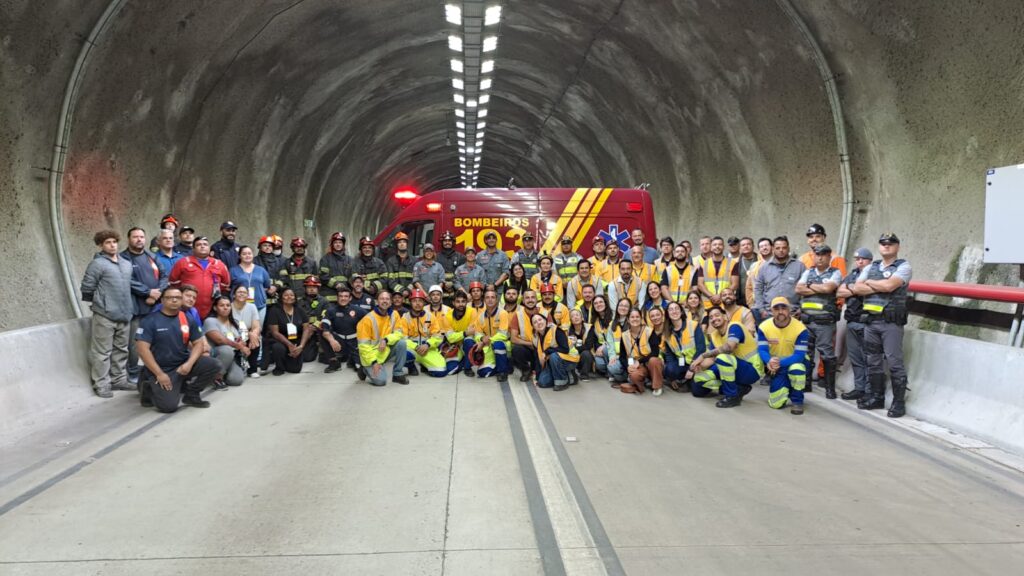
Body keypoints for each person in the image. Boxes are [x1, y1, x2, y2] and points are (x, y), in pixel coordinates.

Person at [851, 232, 912, 417]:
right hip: (871, 322)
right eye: (883, 243)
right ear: (879, 246)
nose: (886, 246)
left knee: (894, 362)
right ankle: (877, 397)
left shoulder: (903, 266)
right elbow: (856, 287)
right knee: (873, 361)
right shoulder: (873, 266)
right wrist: (878, 283)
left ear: (897, 246)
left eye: (891, 243)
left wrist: (869, 282)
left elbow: (889, 286)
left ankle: (898, 402)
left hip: (890, 323)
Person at [135, 287, 218, 411]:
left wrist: (189, 364)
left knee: (214, 365)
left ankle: (191, 395)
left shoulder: (187, 318)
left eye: (178, 298)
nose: (174, 300)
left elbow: (198, 343)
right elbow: (142, 350)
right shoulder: (149, 321)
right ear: (162, 300)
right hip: (162, 368)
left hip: (182, 365)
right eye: (170, 297)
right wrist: (159, 374)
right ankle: (148, 386)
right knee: (168, 407)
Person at [80, 229, 135, 398]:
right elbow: (87, 288)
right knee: (102, 352)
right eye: (108, 242)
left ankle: (119, 380)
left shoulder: (126, 264)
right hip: (104, 315)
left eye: (114, 242)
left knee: (121, 349)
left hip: (125, 314)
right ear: (101, 245)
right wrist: (100, 303)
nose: (112, 245)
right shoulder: (97, 264)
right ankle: (102, 384)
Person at [691, 306, 765, 408]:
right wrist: (699, 366)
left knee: (722, 358)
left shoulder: (735, 326)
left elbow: (729, 347)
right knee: (698, 381)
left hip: (751, 369)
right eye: (711, 317)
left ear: (725, 316)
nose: (714, 319)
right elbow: (711, 358)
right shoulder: (714, 335)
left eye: (717, 315)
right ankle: (738, 388)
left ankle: (732, 396)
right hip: (731, 366)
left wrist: (703, 355)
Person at [796, 244, 842, 399]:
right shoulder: (808, 272)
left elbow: (828, 289)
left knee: (827, 354)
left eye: (824, 255)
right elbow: (798, 289)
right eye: (817, 255)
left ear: (829, 257)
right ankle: (806, 383)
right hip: (807, 320)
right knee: (806, 352)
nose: (820, 258)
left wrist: (809, 286)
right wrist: (818, 287)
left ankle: (830, 388)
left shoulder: (835, 272)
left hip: (824, 322)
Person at [122, 227, 167, 384]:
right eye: (135, 237)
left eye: (142, 236)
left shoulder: (152, 256)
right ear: (129, 239)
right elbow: (127, 280)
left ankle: (155, 369)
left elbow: (164, 276)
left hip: (154, 306)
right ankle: (133, 372)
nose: (139, 239)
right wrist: (147, 292)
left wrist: (157, 294)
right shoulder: (123, 258)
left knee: (157, 339)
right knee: (135, 342)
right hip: (136, 308)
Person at [757, 297, 810, 414]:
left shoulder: (800, 329)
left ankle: (797, 401)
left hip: (794, 362)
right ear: (771, 311)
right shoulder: (764, 327)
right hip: (776, 366)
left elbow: (799, 355)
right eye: (776, 309)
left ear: (789, 310)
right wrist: (769, 361)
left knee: (797, 369)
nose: (780, 311)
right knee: (776, 404)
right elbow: (762, 350)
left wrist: (778, 363)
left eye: (784, 308)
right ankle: (788, 387)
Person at [837, 247, 874, 401]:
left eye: (863, 259)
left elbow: (871, 290)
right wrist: (857, 290)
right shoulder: (852, 274)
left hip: (867, 322)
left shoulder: (875, 274)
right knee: (855, 358)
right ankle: (859, 388)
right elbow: (839, 292)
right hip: (852, 321)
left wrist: (851, 289)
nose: (859, 261)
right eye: (857, 259)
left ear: (870, 261)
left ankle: (869, 390)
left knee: (869, 359)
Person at [168, 236, 231, 319]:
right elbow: (173, 283)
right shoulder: (183, 262)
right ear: (193, 249)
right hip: (187, 310)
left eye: (205, 244)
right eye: (199, 245)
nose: (202, 246)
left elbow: (225, 285)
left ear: (209, 248)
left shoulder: (219, 264)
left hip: (212, 310)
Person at [356, 290, 409, 386]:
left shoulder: (394, 314)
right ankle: (364, 369)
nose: (385, 301)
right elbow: (363, 347)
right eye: (382, 298)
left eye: (387, 299)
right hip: (370, 356)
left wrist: (386, 340)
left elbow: (399, 333)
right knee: (381, 381)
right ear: (376, 301)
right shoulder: (367, 320)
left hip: (384, 350)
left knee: (401, 343)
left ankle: (397, 373)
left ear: (391, 302)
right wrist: (374, 362)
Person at [752, 236, 805, 322]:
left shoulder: (799, 266)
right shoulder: (764, 267)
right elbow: (758, 289)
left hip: (792, 314)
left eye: (784, 247)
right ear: (773, 248)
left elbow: (805, 290)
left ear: (788, 248)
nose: (781, 250)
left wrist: (801, 308)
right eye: (778, 248)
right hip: (769, 314)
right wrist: (761, 310)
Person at [266, 287, 314, 375]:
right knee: (278, 348)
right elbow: (275, 333)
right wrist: (289, 345)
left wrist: (301, 346)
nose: (289, 297)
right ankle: (279, 367)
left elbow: (306, 329)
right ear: (281, 297)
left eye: (291, 295)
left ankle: (288, 360)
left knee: (295, 370)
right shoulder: (274, 310)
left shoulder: (300, 310)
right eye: (286, 295)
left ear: (295, 298)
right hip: (281, 341)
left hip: (297, 341)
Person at [615, 308, 664, 395]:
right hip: (638, 366)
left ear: (641, 319)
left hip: (650, 362)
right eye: (632, 317)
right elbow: (622, 356)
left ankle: (657, 386)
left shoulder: (649, 331)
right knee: (634, 376)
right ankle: (643, 383)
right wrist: (627, 366)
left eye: (637, 317)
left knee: (654, 360)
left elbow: (655, 352)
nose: (635, 319)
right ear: (628, 320)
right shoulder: (624, 335)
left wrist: (639, 361)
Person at [465, 289, 510, 381]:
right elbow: (477, 333)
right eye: (487, 297)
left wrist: (487, 340)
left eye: (493, 297)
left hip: (503, 345)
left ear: (496, 300)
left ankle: (502, 372)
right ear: (484, 300)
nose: (490, 300)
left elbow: (503, 334)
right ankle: (503, 365)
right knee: (482, 373)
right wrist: (481, 339)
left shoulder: (503, 313)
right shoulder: (481, 316)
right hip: (488, 347)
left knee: (498, 344)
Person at [203, 296, 248, 388]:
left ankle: (219, 373)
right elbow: (219, 340)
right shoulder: (210, 321)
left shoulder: (234, 322)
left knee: (236, 380)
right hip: (214, 354)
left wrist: (243, 344)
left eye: (228, 305)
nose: (225, 307)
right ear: (215, 308)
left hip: (231, 356)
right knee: (226, 350)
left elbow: (241, 339)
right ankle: (217, 377)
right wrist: (239, 346)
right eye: (222, 305)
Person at [401, 289, 448, 377]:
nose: (417, 303)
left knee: (441, 371)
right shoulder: (405, 318)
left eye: (420, 301)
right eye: (414, 301)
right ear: (410, 302)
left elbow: (438, 336)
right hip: (412, 350)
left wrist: (428, 345)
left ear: (424, 303)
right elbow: (403, 338)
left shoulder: (430, 317)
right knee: (401, 353)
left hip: (428, 349)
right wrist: (415, 347)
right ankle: (411, 367)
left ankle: (424, 365)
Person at [661, 301, 705, 393]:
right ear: (668, 314)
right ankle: (683, 379)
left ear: (681, 312)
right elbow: (669, 356)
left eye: (676, 308)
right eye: (671, 309)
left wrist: (691, 368)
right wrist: (671, 378)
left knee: (697, 391)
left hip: (697, 362)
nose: (674, 311)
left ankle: (689, 380)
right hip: (682, 363)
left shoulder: (693, 325)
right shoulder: (667, 333)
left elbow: (701, 348)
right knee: (668, 369)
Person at [322, 286, 366, 373]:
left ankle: (352, 360)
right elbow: (324, 328)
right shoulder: (330, 311)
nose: (343, 298)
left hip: (355, 343)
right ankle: (334, 362)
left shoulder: (358, 310)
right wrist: (332, 340)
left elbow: (371, 320)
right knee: (321, 332)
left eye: (346, 296)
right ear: (337, 298)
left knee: (360, 368)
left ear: (350, 298)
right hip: (339, 342)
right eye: (341, 296)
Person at [531, 313, 578, 391]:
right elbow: (538, 358)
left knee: (553, 355)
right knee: (542, 382)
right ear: (533, 326)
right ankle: (570, 376)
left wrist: (547, 351)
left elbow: (565, 349)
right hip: (552, 364)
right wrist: (537, 377)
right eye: (535, 322)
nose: (538, 323)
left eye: (540, 320)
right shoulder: (536, 339)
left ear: (545, 321)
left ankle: (562, 382)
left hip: (569, 360)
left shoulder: (556, 330)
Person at [229, 245, 272, 324]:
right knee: (241, 331)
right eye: (244, 254)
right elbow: (229, 287)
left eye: (249, 253)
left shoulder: (261, 270)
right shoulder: (233, 270)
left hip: (259, 306)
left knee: (257, 331)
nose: (247, 256)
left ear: (253, 255)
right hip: (239, 306)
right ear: (239, 256)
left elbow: (267, 286)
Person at [229, 285, 262, 378]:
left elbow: (257, 326)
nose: (242, 294)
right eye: (239, 292)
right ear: (234, 295)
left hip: (247, 334)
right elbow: (228, 327)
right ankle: (238, 366)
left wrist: (253, 334)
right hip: (232, 336)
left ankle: (252, 370)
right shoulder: (229, 306)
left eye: (244, 292)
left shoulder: (252, 307)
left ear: (248, 295)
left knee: (255, 339)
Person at [509, 289, 541, 381]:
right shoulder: (517, 315)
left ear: (536, 299)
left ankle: (538, 368)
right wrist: (530, 344)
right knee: (516, 350)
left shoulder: (545, 313)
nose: (530, 300)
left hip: (542, 348)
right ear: (523, 301)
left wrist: (539, 345)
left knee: (542, 379)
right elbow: (513, 339)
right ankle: (526, 370)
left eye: (532, 297)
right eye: (527, 298)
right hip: (527, 347)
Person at [700, 236, 739, 309]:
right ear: (711, 247)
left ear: (723, 247)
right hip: (707, 303)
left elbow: (735, 284)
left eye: (720, 244)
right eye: (714, 245)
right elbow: (700, 284)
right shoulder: (704, 264)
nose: (717, 246)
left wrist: (721, 296)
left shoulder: (732, 263)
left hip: (726, 303)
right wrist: (711, 296)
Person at [299, 276, 329, 362]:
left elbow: (325, 317)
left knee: (325, 358)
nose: (312, 289)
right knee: (307, 358)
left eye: (314, 287)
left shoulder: (324, 301)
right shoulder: (300, 302)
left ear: (318, 288)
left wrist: (314, 327)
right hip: (306, 332)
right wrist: (306, 329)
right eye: (309, 287)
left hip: (320, 330)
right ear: (305, 288)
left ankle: (322, 349)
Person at [605, 298, 633, 386]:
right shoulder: (612, 324)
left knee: (632, 373)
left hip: (630, 357)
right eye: (621, 305)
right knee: (612, 367)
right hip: (617, 356)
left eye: (626, 306)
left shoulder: (633, 322)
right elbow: (610, 343)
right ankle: (622, 375)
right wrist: (613, 356)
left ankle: (625, 376)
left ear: (629, 309)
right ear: (617, 307)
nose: (623, 308)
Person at [319, 232, 352, 304]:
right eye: (335, 242)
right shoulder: (325, 259)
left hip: (345, 295)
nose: (338, 244)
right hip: (329, 295)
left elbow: (351, 276)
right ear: (332, 244)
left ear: (343, 244)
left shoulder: (349, 259)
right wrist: (336, 284)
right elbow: (323, 276)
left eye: (340, 242)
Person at [567, 308, 598, 381]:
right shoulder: (567, 330)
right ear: (570, 320)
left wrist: (575, 348)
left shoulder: (589, 327)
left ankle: (584, 375)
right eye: (573, 316)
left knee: (586, 353)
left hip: (586, 356)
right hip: (572, 356)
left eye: (577, 315)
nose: (575, 317)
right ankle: (572, 372)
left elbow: (588, 346)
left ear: (582, 317)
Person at [435, 231, 464, 302]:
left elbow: (462, 275)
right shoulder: (436, 257)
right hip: (441, 295)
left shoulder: (461, 257)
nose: (447, 242)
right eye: (445, 241)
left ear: (453, 242)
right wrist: (443, 284)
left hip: (456, 294)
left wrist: (453, 284)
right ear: (442, 242)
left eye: (449, 241)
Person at [745, 237, 774, 307]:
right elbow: (749, 287)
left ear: (772, 247)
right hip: (757, 305)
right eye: (761, 246)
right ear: (759, 250)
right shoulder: (754, 266)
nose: (764, 248)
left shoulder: (779, 264)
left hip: (775, 304)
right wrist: (751, 304)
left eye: (766, 245)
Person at [589, 295, 613, 377]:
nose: (598, 304)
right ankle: (612, 369)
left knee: (606, 350)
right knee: (598, 363)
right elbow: (595, 339)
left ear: (605, 303)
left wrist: (604, 346)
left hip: (614, 349)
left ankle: (611, 372)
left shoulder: (613, 317)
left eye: (600, 302)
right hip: (602, 350)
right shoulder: (595, 320)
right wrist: (596, 351)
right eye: (595, 303)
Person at [736, 237, 759, 307]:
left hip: (757, 299)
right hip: (741, 300)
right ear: (740, 248)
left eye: (748, 244)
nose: (746, 246)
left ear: (753, 246)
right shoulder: (735, 262)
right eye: (743, 245)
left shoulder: (760, 260)